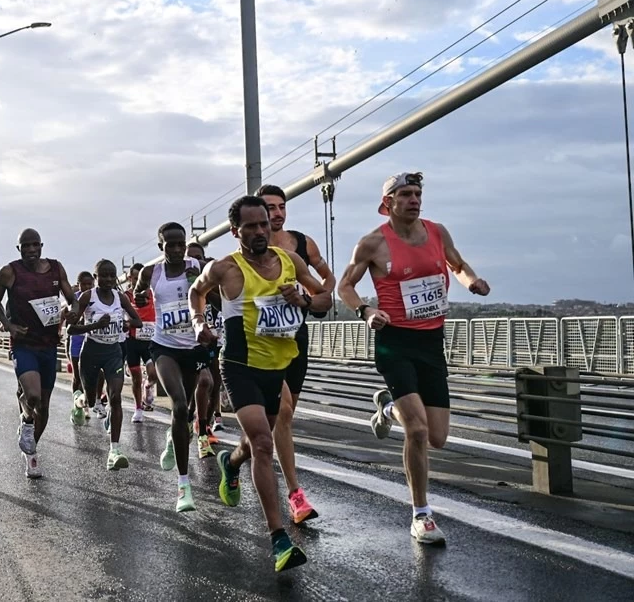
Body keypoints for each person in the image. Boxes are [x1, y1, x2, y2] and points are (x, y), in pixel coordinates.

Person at [337, 172, 490, 545]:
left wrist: (472, 281)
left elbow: (458, 265)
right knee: (417, 431)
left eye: (418, 193)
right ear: (388, 202)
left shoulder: (437, 232)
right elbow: (345, 286)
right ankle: (421, 514)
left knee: (437, 437)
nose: (414, 200)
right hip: (395, 342)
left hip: (431, 343)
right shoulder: (373, 243)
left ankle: (388, 409)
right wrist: (366, 311)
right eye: (405, 194)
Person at [190, 195, 328, 572]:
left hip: (277, 367)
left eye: (264, 224)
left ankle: (230, 462)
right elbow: (195, 292)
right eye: (250, 226)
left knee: (253, 444)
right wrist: (200, 323)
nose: (259, 231)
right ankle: (278, 538)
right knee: (264, 444)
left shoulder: (290, 261)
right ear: (236, 231)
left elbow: (323, 299)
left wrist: (303, 299)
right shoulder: (224, 268)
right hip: (239, 367)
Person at [255, 184, 336, 525]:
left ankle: (240, 457)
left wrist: (311, 300)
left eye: (281, 206)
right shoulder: (251, 247)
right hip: (263, 341)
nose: (277, 213)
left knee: (279, 420)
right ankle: (295, 494)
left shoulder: (302, 244)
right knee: (284, 411)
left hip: (295, 335)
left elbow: (327, 279)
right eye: (269, 208)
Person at [0, 228, 77, 479]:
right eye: (25, 246)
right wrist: (8, 325)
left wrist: (74, 310)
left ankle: (31, 453)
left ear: (41, 246)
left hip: (49, 345)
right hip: (24, 344)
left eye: (34, 245)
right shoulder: (9, 272)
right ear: (18, 249)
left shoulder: (56, 269)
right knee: (33, 396)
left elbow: (72, 298)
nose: (30, 250)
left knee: (45, 406)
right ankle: (26, 421)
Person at [133, 222, 204, 512]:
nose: (176, 250)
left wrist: (200, 284)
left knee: (187, 413)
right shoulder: (152, 272)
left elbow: (213, 296)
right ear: (160, 246)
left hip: (193, 347)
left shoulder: (195, 266)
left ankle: (174, 439)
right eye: (170, 245)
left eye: (180, 245)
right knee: (180, 405)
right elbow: (138, 293)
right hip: (164, 347)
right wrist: (139, 297)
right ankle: (184, 486)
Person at [67, 259, 142, 470]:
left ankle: (114, 450)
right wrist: (95, 325)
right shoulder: (87, 297)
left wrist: (126, 324)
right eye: (104, 275)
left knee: (115, 397)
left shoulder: (120, 297)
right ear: (96, 277)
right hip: (91, 352)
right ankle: (78, 402)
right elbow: (71, 329)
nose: (108, 279)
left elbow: (138, 321)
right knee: (91, 401)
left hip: (113, 353)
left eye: (112, 275)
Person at [186, 242, 219, 458]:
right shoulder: (176, 276)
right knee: (202, 382)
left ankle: (202, 422)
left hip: (213, 338)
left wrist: (203, 287)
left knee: (214, 384)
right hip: (188, 339)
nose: (194, 261)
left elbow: (221, 303)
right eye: (190, 257)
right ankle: (198, 427)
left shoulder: (212, 275)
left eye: (198, 257)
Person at [124, 263, 157, 421]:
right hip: (132, 341)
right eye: (135, 278)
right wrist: (128, 323)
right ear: (130, 278)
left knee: (153, 374)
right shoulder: (126, 296)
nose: (138, 282)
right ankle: (138, 408)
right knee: (136, 377)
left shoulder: (153, 293)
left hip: (150, 340)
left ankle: (148, 386)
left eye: (141, 278)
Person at [65, 271, 96, 425]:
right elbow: (66, 319)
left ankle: (87, 405)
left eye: (90, 284)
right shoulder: (74, 299)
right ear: (79, 284)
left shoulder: (96, 296)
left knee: (88, 376)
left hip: (90, 341)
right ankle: (76, 404)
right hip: (76, 341)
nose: (87, 287)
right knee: (77, 377)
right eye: (84, 284)